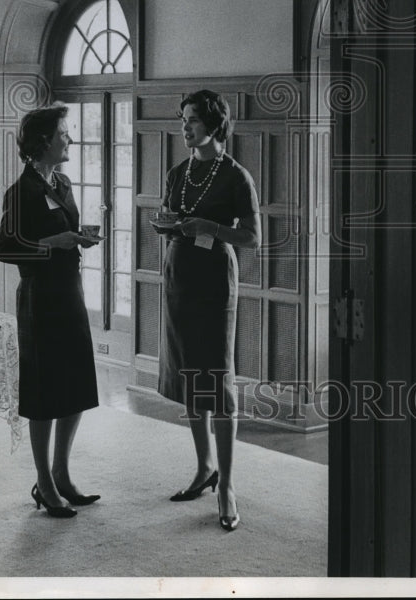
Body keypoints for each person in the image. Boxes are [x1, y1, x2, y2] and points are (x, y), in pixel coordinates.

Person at [158, 89, 261, 532]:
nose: (185, 128)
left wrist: (209, 227)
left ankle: (227, 485)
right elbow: (169, 216)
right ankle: (203, 468)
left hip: (216, 284)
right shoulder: (178, 172)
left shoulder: (237, 176)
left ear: (214, 125)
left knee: (217, 381)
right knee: (189, 376)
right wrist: (168, 224)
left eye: (193, 121)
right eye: (183, 120)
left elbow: (252, 237)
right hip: (178, 278)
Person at [0, 102, 101, 518]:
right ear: (43, 141)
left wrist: (77, 238)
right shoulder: (20, 191)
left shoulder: (63, 182)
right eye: (64, 132)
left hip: (69, 290)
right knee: (44, 388)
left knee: (74, 381)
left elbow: (62, 229)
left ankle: (61, 472)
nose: (69, 137)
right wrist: (49, 245)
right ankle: (43, 481)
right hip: (39, 297)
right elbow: (4, 248)